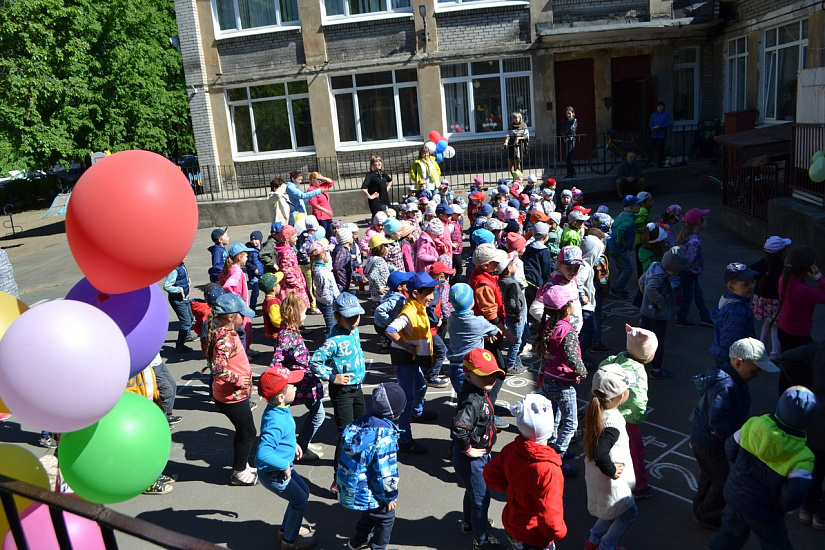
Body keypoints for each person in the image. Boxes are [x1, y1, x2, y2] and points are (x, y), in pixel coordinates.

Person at [710, 386, 818, 550]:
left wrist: (738, 467)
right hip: (765, 509)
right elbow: (795, 493)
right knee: (775, 542)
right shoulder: (803, 456)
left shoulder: (755, 423)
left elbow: (730, 448)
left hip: (737, 494)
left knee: (731, 532)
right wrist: (779, 505)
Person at [689, 338, 779, 529]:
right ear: (739, 363)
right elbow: (717, 416)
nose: (756, 376)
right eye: (754, 371)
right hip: (710, 442)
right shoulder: (727, 386)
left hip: (705, 438)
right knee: (722, 480)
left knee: (709, 474)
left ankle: (701, 507)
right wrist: (731, 441)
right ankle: (707, 515)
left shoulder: (732, 379)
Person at [483, 393, 567, 550]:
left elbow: (489, 474)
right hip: (534, 535)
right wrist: (559, 531)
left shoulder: (511, 450)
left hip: (512, 522)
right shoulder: (549, 469)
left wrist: (512, 489)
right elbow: (551, 520)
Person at [309, 292, 367, 495]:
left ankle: (358, 468)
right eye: (348, 318)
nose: (353, 321)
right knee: (346, 434)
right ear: (337, 316)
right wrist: (332, 377)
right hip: (342, 391)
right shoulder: (333, 340)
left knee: (361, 429)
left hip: (357, 388)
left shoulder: (354, 331)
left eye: (356, 317)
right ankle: (338, 479)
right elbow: (315, 362)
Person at [255, 366, 318, 550]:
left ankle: (287, 530)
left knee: (303, 494)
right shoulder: (276, 420)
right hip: (275, 473)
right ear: (281, 396)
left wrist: (293, 445)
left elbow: (282, 437)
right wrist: (284, 464)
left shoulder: (280, 408)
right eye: (292, 386)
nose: (296, 388)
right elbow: (263, 454)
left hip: (282, 468)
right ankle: (290, 541)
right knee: (299, 500)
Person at [338, 383, 406, 550]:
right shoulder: (385, 437)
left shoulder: (362, 422)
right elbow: (385, 472)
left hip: (355, 485)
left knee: (371, 512)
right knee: (386, 517)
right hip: (370, 488)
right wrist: (390, 496)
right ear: (397, 412)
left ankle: (358, 541)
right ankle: (378, 547)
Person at [452, 348, 506, 550]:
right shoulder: (472, 401)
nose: (490, 378)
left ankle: (469, 523)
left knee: (472, 491)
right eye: (483, 375)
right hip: (473, 459)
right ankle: (481, 540)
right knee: (481, 498)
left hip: (478, 454)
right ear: (467, 374)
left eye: (492, 373)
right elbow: (459, 427)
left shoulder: (478, 392)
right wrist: (468, 450)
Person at [385, 272, 443, 455]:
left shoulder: (418, 306)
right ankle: (405, 438)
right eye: (429, 293)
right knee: (407, 398)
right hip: (405, 361)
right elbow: (391, 329)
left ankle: (417, 412)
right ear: (416, 293)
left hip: (413, 360)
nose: (432, 297)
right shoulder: (409, 311)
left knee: (421, 386)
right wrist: (406, 346)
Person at [203, 293, 258, 486]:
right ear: (230, 317)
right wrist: (238, 380)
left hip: (234, 394)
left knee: (244, 431)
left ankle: (242, 465)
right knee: (248, 432)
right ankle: (239, 472)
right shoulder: (225, 340)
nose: (244, 318)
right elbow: (218, 368)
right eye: (242, 314)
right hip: (231, 396)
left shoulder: (227, 334)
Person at [534, 283, 587, 476]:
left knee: (554, 418)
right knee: (571, 422)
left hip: (548, 378)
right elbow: (573, 358)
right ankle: (558, 458)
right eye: (571, 301)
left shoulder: (548, 326)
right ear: (566, 308)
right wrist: (583, 371)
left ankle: (552, 448)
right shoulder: (567, 331)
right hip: (563, 384)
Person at [583, 364, 637, 550]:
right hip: (609, 481)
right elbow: (600, 451)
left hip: (596, 476)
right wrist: (611, 469)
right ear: (622, 396)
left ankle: (593, 541)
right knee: (628, 513)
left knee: (612, 512)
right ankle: (606, 546)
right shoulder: (612, 421)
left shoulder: (595, 410)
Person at [600, 325, 657, 499]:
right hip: (627, 419)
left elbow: (602, 368)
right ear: (647, 355)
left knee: (608, 448)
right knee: (635, 452)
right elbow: (639, 400)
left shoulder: (617, 358)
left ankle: (606, 475)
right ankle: (640, 486)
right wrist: (638, 417)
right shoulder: (638, 371)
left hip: (608, 412)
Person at [272, 292, 325, 462]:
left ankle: (303, 443)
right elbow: (277, 361)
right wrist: (280, 381)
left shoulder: (290, 330)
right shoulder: (287, 337)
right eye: (303, 312)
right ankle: (301, 447)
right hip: (300, 382)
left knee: (315, 412)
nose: (305, 315)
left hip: (303, 381)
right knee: (318, 414)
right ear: (295, 315)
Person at [780, 341, 825, 529]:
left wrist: (807, 387)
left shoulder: (821, 347)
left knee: (815, 465)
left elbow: (788, 357)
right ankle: (821, 514)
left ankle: (807, 508)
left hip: (817, 419)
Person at [774, 245, 825, 389]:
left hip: (784, 330)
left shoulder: (784, 279)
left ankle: (783, 394)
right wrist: (819, 278)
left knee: (787, 364)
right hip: (800, 335)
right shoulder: (805, 290)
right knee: (802, 368)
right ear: (808, 269)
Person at [639, 246, 688, 379]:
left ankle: (640, 363)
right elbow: (651, 288)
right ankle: (656, 369)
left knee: (643, 338)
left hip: (646, 311)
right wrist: (660, 302)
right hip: (657, 315)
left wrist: (645, 296)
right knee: (657, 341)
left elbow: (642, 281)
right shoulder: (660, 276)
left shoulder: (654, 266)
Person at [749, 236, 792, 359]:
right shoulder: (783, 267)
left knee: (768, 322)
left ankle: (760, 348)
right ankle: (774, 351)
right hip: (776, 301)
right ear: (782, 252)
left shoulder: (763, 263)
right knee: (774, 325)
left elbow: (749, 269)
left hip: (761, 299)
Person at [709, 262, 758, 366]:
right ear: (731, 287)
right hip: (732, 358)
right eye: (745, 284)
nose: (751, 286)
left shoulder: (727, 298)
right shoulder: (738, 309)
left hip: (720, 352)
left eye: (753, 281)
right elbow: (730, 339)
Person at [676, 208, 713, 328]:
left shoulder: (690, 237)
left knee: (698, 294)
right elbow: (689, 260)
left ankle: (705, 316)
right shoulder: (694, 241)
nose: (706, 221)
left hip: (690, 273)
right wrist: (694, 270)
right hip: (689, 273)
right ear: (699, 222)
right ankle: (681, 318)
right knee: (688, 296)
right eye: (704, 219)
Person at [607, 195, 642, 300]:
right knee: (628, 269)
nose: (640, 207)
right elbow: (621, 229)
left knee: (622, 267)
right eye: (638, 205)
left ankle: (617, 288)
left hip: (612, 245)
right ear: (631, 207)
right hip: (618, 247)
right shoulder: (629, 219)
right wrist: (621, 241)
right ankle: (616, 290)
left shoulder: (621, 215)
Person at [276, 226, 311, 318]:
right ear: (288, 238)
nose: (297, 238)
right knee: (296, 306)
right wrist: (296, 284)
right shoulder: (287, 252)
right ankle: (296, 325)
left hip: (293, 283)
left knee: (296, 307)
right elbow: (287, 271)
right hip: (291, 287)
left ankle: (298, 325)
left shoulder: (286, 249)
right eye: (295, 236)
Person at [375, 271, 414, 350]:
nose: (408, 284)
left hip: (379, 323)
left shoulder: (391, 293)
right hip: (383, 324)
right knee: (389, 336)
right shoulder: (396, 299)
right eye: (406, 283)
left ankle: (384, 345)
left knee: (385, 336)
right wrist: (389, 321)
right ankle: (386, 347)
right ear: (399, 287)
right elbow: (380, 310)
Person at [163, 259, 196, 353]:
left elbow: (182, 278)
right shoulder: (174, 269)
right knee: (186, 322)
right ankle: (180, 345)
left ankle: (187, 335)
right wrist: (179, 290)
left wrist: (188, 281)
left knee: (190, 318)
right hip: (178, 300)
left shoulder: (181, 265)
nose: (185, 256)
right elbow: (167, 286)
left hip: (185, 297)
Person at [309, 241, 339, 339]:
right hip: (328, 304)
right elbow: (326, 291)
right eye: (328, 252)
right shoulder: (323, 273)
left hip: (322, 301)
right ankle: (328, 347)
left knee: (332, 325)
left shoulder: (317, 268)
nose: (329, 255)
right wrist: (332, 303)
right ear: (322, 254)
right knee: (330, 328)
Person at [364, 233, 393, 308]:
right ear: (380, 248)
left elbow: (366, 271)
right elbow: (373, 275)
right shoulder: (380, 261)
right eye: (386, 246)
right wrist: (379, 287)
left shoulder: (371, 258)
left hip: (375, 293)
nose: (388, 248)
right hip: (381, 293)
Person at [307, 172, 334, 238]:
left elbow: (331, 182)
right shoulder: (311, 190)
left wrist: (322, 177)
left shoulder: (322, 186)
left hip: (328, 215)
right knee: (323, 235)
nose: (320, 181)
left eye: (320, 180)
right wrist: (325, 211)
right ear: (312, 180)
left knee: (331, 235)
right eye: (317, 179)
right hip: (320, 216)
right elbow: (314, 204)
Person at [260, 272, 284, 344]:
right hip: (276, 334)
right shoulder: (273, 303)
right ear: (274, 287)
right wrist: (286, 324)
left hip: (271, 333)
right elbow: (276, 320)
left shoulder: (268, 300)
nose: (280, 285)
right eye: (278, 284)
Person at [246, 231, 266, 311]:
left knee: (268, 291)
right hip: (254, 275)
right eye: (252, 239)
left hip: (263, 273)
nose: (253, 241)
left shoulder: (263, 248)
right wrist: (254, 268)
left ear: (260, 240)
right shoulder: (249, 250)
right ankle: (252, 308)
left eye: (256, 239)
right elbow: (247, 262)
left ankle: (266, 306)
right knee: (255, 292)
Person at [649, 102, 672, 168]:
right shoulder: (654, 114)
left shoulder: (666, 114)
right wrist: (652, 127)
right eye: (658, 106)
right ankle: (651, 161)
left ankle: (660, 163)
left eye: (661, 106)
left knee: (660, 148)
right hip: (654, 134)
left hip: (662, 134)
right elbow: (650, 122)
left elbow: (668, 123)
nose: (660, 107)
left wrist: (660, 126)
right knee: (652, 148)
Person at [332, 226, 355, 293]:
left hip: (342, 282)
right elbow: (338, 268)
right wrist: (343, 283)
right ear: (347, 239)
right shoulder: (342, 251)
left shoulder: (339, 248)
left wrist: (359, 277)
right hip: (341, 284)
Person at [562, 106, 577, 179]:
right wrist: (566, 132)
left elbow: (572, 129)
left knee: (569, 157)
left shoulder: (574, 120)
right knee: (567, 157)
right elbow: (563, 131)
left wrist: (566, 131)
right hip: (566, 140)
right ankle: (570, 172)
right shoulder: (566, 122)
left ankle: (571, 173)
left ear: (573, 113)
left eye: (569, 113)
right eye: (567, 113)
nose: (568, 115)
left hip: (571, 140)